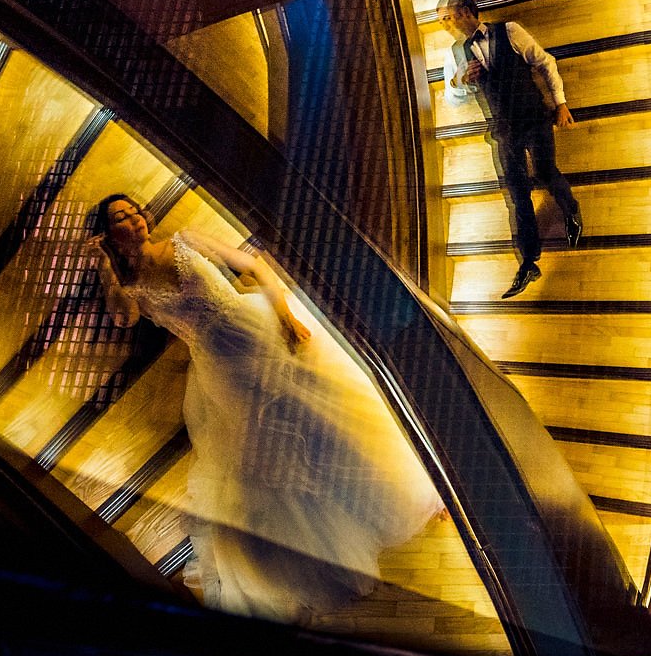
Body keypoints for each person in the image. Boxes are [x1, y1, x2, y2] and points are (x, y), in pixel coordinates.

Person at [85, 194, 443, 623]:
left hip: (258, 329)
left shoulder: (186, 239)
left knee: (332, 416)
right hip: (221, 367)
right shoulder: (130, 287)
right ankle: (322, 558)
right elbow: (123, 318)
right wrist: (104, 267)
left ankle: (410, 495)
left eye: (134, 210)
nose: (135, 219)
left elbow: (254, 267)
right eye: (121, 218)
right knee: (272, 459)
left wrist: (286, 316)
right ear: (110, 233)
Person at [437, 0, 583, 300]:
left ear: (464, 12)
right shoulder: (454, 54)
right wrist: (460, 81)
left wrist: (561, 103)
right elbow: (453, 100)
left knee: (547, 172)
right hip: (504, 130)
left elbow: (545, 62)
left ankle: (571, 210)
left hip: (534, 117)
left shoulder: (510, 31)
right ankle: (530, 262)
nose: (445, 25)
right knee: (518, 195)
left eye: (447, 19)